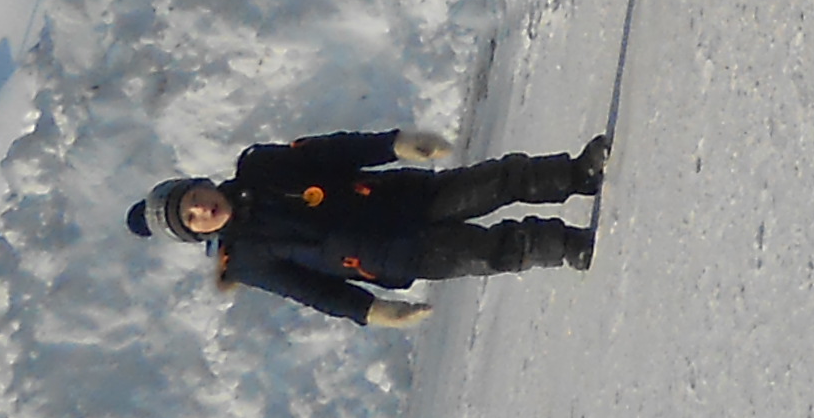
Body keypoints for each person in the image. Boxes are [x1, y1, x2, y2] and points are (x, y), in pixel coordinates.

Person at [130, 127, 604, 325]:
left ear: (200, 185)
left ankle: (577, 173)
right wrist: (372, 311)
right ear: (198, 234)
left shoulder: (259, 166)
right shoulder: (247, 261)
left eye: (192, 199)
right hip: (391, 255)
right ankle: (564, 244)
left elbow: (331, 151)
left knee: (497, 181)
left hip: (405, 197)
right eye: (191, 219)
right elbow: (313, 291)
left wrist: (393, 144)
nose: (201, 210)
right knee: (488, 251)